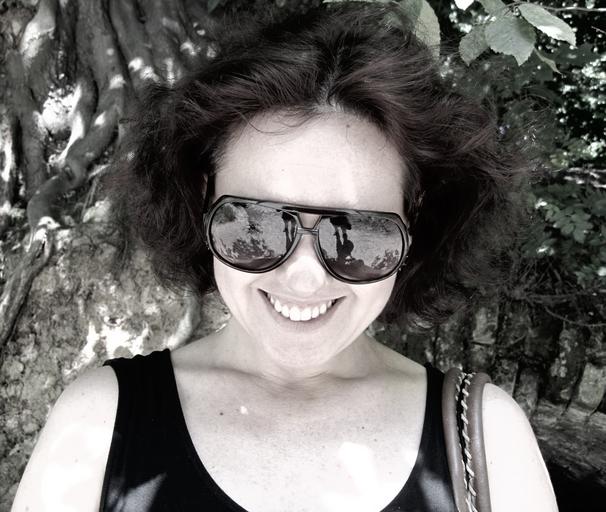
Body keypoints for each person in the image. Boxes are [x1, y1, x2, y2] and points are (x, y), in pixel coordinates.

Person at [11, 2, 559, 511]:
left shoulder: (486, 440)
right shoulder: (97, 425)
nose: (303, 277)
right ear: (203, 200)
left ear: (413, 221)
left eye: (358, 233)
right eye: (257, 224)